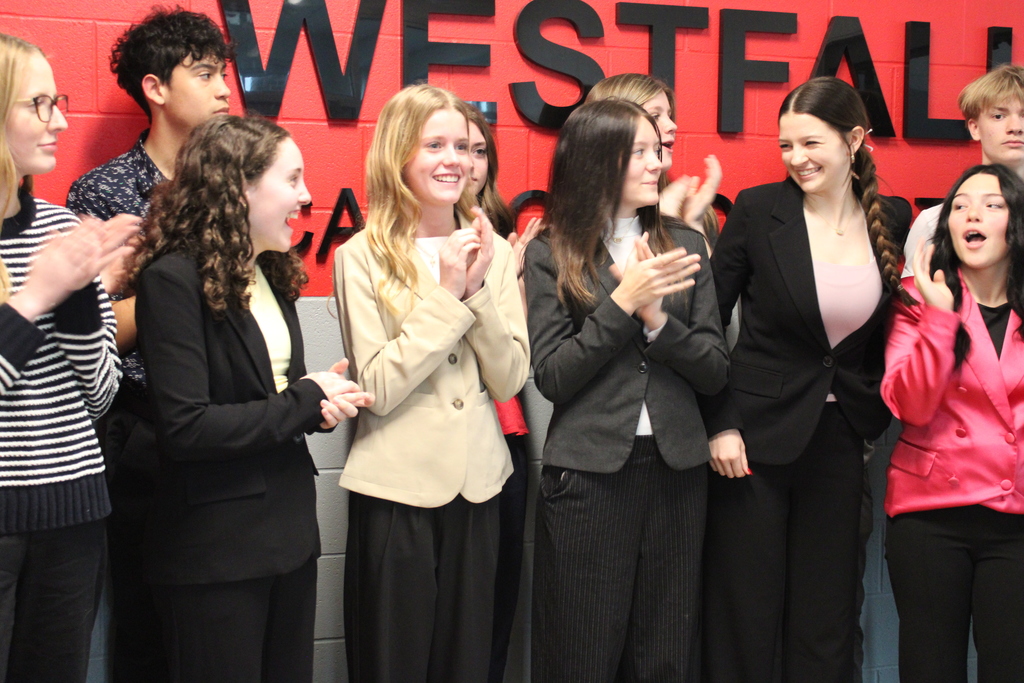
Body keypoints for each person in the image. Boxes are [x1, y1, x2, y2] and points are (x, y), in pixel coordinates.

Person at [131, 114, 371, 683]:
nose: (306, 196)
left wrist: (317, 402)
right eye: (292, 180)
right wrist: (299, 402)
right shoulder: (171, 279)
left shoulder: (269, 271)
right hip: (215, 553)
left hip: (287, 535)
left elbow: (265, 398)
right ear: (239, 186)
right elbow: (186, 428)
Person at [700, 76, 911, 682]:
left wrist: (873, 408)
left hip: (842, 440)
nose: (796, 158)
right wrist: (720, 423)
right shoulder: (757, 208)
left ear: (855, 140)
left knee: (828, 617)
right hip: (751, 444)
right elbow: (707, 323)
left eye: (810, 143)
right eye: (786, 145)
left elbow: (898, 327)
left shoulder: (893, 217)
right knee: (745, 611)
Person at [525, 98, 729, 681]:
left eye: (656, 150)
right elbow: (554, 375)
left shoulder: (686, 245)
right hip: (589, 477)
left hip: (677, 471)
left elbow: (714, 369)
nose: (656, 164)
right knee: (580, 651)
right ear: (596, 160)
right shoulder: (551, 250)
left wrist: (660, 321)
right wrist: (622, 304)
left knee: (664, 654)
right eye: (638, 152)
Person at [334, 84, 529, 683]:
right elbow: (378, 386)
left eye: (462, 148)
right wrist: (447, 295)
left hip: (481, 485)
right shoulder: (360, 255)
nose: (455, 160)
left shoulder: (491, 248)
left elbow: (510, 376)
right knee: (394, 662)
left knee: (467, 662)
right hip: (398, 492)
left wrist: (475, 291)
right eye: (434, 145)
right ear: (398, 157)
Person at [64, 11, 233, 680]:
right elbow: (97, 327)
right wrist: (175, 296)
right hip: (142, 430)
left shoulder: (233, 187)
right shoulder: (106, 191)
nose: (224, 89)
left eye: (224, 73)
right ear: (156, 88)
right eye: (205, 74)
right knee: (145, 627)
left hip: (224, 423)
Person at [0, 33, 137, 683]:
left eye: (59, 100)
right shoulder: (47, 260)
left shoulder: (61, 228)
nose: (60, 120)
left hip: (74, 514)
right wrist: (35, 298)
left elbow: (102, 394)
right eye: (38, 104)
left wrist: (82, 297)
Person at [882, 163, 1024, 683]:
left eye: (992, 204)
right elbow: (909, 406)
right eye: (961, 205)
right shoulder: (915, 302)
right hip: (931, 514)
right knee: (930, 668)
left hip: (1017, 518)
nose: (972, 214)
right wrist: (941, 320)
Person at [459, 101, 538, 683]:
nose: (466, 162)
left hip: (506, 429)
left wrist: (515, 282)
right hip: (435, 441)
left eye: (478, 149)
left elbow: (517, 357)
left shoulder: (505, 237)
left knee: (497, 594)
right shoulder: (393, 243)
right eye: (449, 147)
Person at [902, 64, 1024, 276]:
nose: (1015, 127)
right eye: (999, 116)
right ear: (975, 128)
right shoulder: (936, 222)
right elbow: (915, 305)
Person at [587, 73, 722, 243]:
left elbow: (704, 269)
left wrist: (691, 224)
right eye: (656, 116)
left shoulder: (692, 206)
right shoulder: (573, 224)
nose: (673, 125)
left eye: (669, 115)